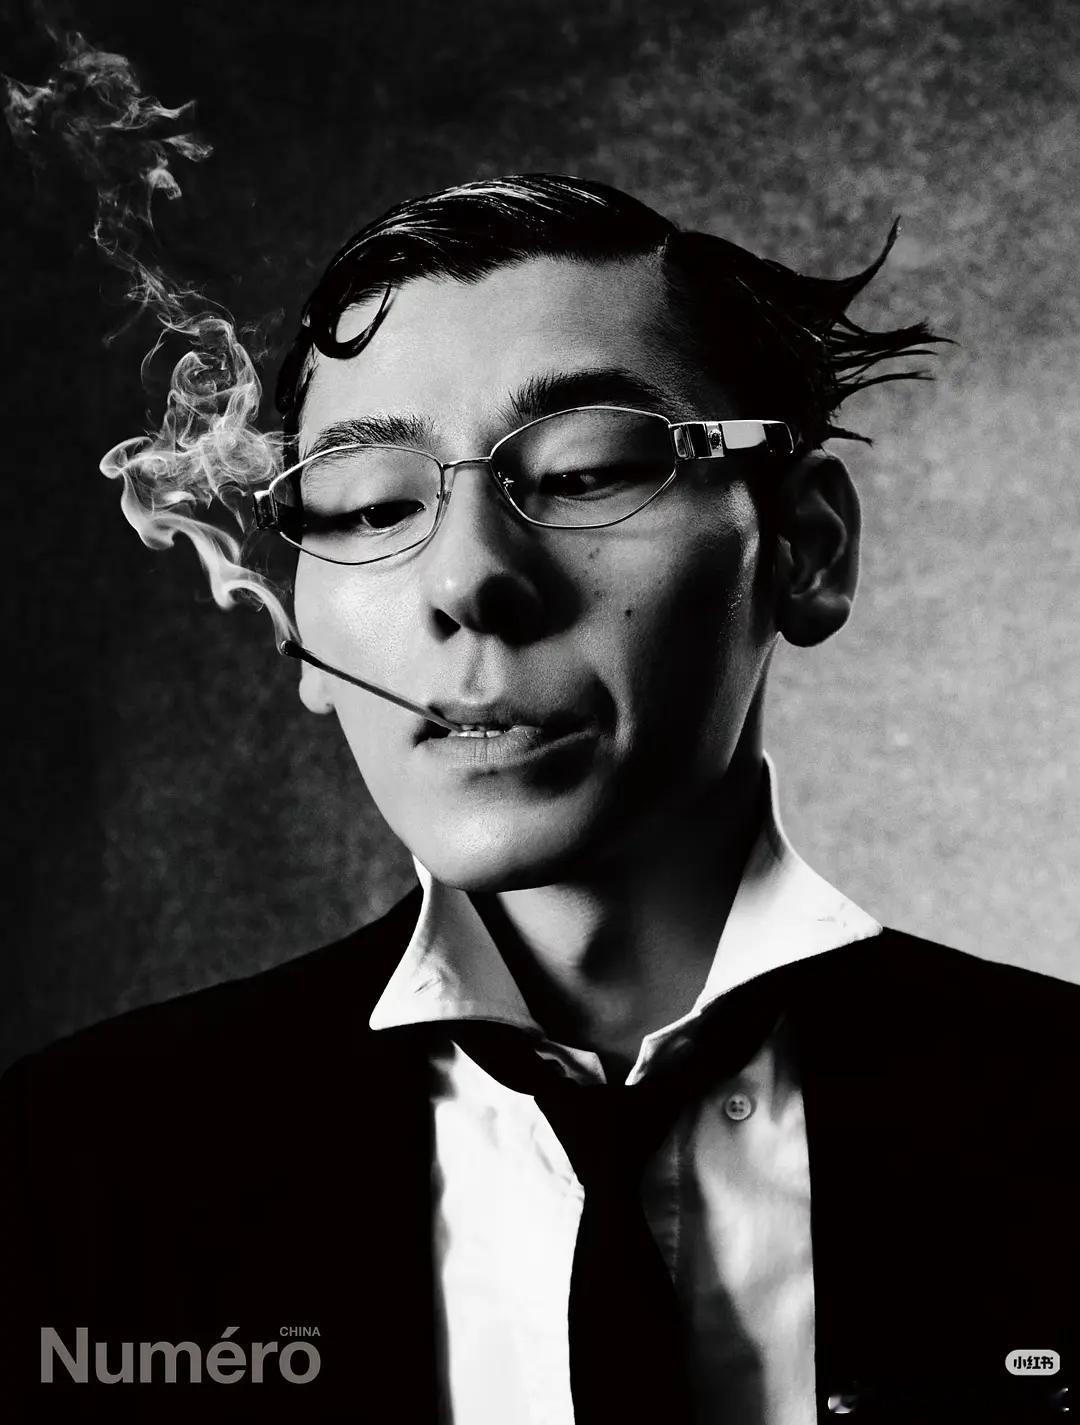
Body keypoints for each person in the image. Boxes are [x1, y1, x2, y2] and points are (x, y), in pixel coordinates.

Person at [2, 174, 1076, 1425]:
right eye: (373, 504)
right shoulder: (71, 1168)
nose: (467, 576)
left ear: (808, 548)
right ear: (304, 631)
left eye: (582, 471)